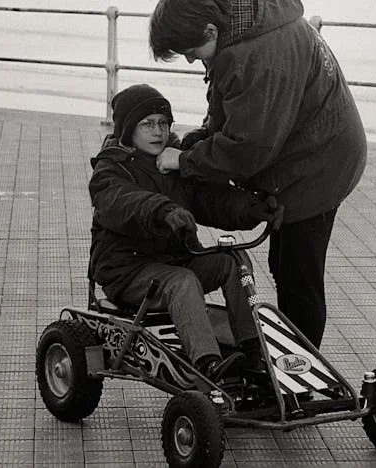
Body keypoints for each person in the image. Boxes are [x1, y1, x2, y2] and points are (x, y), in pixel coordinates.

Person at [149, 0, 367, 349]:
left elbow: (246, 151)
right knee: (285, 264)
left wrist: (186, 161)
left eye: (191, 51)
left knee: (299, 276)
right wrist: (196, 142)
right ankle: (292, 361)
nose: (190, 60)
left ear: (210, 30)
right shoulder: (240, 28)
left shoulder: (259, 55)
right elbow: (232, 109)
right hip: (312, 147)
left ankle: (301, 373)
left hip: (319, 165)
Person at [88, 84, 282, 382]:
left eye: (164, 123)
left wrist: (254, 208)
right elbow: (121, 203)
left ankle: (253, 347)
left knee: (234, 261)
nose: (159, 132)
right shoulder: (110, 170)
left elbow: (212, 200)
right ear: (128, 130)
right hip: (127, 270)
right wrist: (162, 210)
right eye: (148, 124)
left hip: (175, 259)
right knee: (182, 281)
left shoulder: (173, 162)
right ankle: (207, 363)